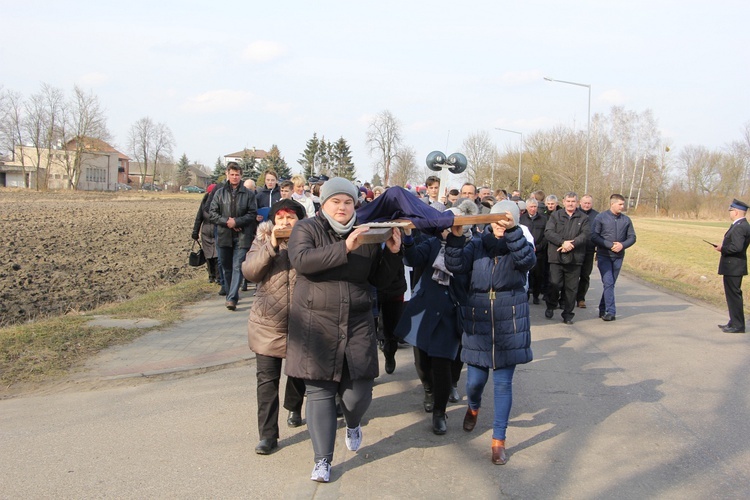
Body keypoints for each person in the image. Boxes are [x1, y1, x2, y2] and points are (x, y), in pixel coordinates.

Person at [286, 177, 403, 483]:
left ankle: (353, 423)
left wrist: (391, 254)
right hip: (315, 324)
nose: (342, 207)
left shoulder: (367, 234)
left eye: (348, 202)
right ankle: (322, 460)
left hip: (357, 322)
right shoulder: (306, 229)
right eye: (335, 201)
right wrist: (345, 247)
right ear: (323, 204)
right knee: (320, 392)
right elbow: (302, 262)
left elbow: (382, 281)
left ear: (355, 205)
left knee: (357, 395)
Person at [444, 200, 536, 465]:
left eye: (505, 220)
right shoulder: (477, 245)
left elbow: (527, 261)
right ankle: (473, 407)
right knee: (474, 382)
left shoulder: (521, 245)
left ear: (514, 222)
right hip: (479, 318)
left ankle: (499, 439)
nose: (499, 225)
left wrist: (512, 231)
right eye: (496, 219)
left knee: (503, 384)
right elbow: (455, 266)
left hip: (510, 319)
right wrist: (455, 238)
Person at [242, 199, 308, 455]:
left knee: (299, 374)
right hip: (267, 323)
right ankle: (267, 435)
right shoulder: (262, 241)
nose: (285, 223)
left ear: (300, 222)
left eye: (290, 218)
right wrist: (271, 246)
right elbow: (250, 271)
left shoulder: (308, 243)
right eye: (280, 218)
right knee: (266, 382)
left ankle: (294, 405)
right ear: (273, 222)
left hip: (302, 323)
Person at [395, 214, 469, 435]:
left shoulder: (470, 246)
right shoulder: (432, 243)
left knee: (443, 363)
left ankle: (439, 411)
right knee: (422, 361)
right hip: (425, 310)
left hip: (450, 311)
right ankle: (428, 389)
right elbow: (412, 259)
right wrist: (408, 237)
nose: (451, 229)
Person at [209, 162, 258, 310]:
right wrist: (227, 222)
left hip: (242, 236)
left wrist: (237, 221)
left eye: (237, 174)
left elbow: (252, 214)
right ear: (227, 175)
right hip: (224, 236)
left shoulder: (248, 194)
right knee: (226, 266)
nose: (235, 177)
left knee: (238, 266)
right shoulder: (219, 193)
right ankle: (232, 293)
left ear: (241, 176)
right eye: (232, 174)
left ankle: (231, 298)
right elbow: (212, 214)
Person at [544, 192, 590, 324]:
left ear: (577, 202)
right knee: (555, 284)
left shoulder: (583, 217)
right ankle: (551, 305)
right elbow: (548, 232)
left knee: (571, 288)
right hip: (556, 256)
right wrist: (562, 242)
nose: (570, 204)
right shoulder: (555, 215)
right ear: (563, 202)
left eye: (573, 201)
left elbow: (585, 234)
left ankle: (568, 314)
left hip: (575, 258)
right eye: (568, 201)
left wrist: (572, 244)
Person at [591, 194, 636, 322]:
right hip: (604, 255)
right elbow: (594, 236)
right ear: (612, 204)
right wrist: (610, 245)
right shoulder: (601, 218)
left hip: (618, 257)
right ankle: (610, 311)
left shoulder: (626, 220)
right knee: (609, 282)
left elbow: (632, 237)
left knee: (609, 285)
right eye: (620, 204)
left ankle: (602, 308)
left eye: (623, 204)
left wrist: (622, 245)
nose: (623, 206)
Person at [715, 199, 750, 333]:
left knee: (734, 296)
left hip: (733, 266)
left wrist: (722, 248)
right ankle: (733, 321)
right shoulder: (742, 225)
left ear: (735, 212)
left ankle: (738, 325)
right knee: (732, 296)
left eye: (731, 210)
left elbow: (737, 247)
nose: (729, 213)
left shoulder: (740, 227)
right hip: (734, 266)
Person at [519, 198, 548, 304]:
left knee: (538, 275)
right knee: (527, 274)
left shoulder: (543, 219)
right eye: (531, 207)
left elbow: (546, 235)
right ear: (526, 207)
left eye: (535, 206)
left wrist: (539, 247)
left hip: (539, 252)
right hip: (525, 251)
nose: (533, 209)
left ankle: (536, 295)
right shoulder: (522, 219)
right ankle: (526, 295)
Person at [191, 184, 219, 284]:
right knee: (208, 255)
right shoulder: (204, 204)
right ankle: (211, 275)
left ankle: (218, 276)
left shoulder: (219, 203)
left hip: (217, 231)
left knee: (216, 255)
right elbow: (199, 218)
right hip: (206, 232)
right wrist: (195, 232)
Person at [576, 195, 599, 308]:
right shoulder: (575, 213)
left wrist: (598, 250)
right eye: (584, 203)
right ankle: (568, 297)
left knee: (585, 275)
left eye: (589, 203)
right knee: (573, 275)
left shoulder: (597, 216)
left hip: (589, 250)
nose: (586, 205)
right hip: (575, 249)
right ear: (580, 202)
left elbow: (600, 234)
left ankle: (581, 298)